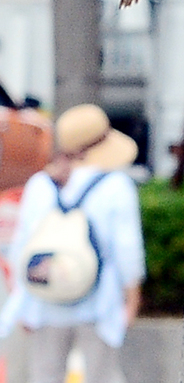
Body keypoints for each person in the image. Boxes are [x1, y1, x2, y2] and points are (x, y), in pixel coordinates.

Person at [0, 104, 146, 383]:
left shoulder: (40, 185)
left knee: (45, 375)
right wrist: (131, 299)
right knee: (101, 376)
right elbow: (127, 249)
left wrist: (23, 299)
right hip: (98, 302)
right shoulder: (115, 185)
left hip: (45, 301)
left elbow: (23, 246)